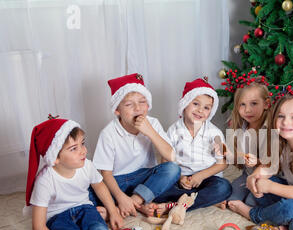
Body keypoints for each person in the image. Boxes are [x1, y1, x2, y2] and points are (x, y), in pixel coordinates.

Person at [24, 117, 136, 230]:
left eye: (82, 144)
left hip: (85, 208)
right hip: (57, 217)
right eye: (73, 148)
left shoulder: (87, 166)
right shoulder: (45, 180)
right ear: (55, 158)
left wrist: (113, 211)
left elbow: (99, 186)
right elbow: (38, 226)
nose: (83, 151)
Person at [229, 93, 293, 227]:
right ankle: (281, 222)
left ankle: (253, 214)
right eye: (281, 116)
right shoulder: (284, 142)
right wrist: (254, 177)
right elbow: (269, 167)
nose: (285, 122)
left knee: (288, 208)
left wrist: (270, 187)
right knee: (255, 190)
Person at [91, 73, 180, 217]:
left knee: (173, 170)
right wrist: (120, 197)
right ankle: (135, 204)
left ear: (148, 105)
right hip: (118, 181)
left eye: (142, 102)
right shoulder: (108, 133)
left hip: (145, 178)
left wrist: (150, 131)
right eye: (129, 104)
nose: (137, 108)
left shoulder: (153, 123)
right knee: (89, 194)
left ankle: (133, 202)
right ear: (117, 110)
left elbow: (170, 156)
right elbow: (105, 174)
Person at [151, 77, 231, 214]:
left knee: (224, 187)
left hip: (207, 178)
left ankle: (176, 206)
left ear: (210, 111)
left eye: (206, 108)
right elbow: (166, 160)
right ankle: (205, 200)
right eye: (195, 104)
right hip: (181, 179)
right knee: (156, 189)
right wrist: (180, 177)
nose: (200, 110)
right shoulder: (174, 130)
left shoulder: (214, 132)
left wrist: (200, 176)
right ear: (185, 104)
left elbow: (223, 163)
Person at [223, 72, 272, 210]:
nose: (247, 110)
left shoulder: (271, 129)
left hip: (267, 177)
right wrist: (227, 153)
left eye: (254, 103)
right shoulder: (241, 129)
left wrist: (257, 161)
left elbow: (274, 163)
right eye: (242, 105)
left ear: (266, 104)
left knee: (251, 201)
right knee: (230, 198)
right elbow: (236, 159)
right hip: (247, 175)